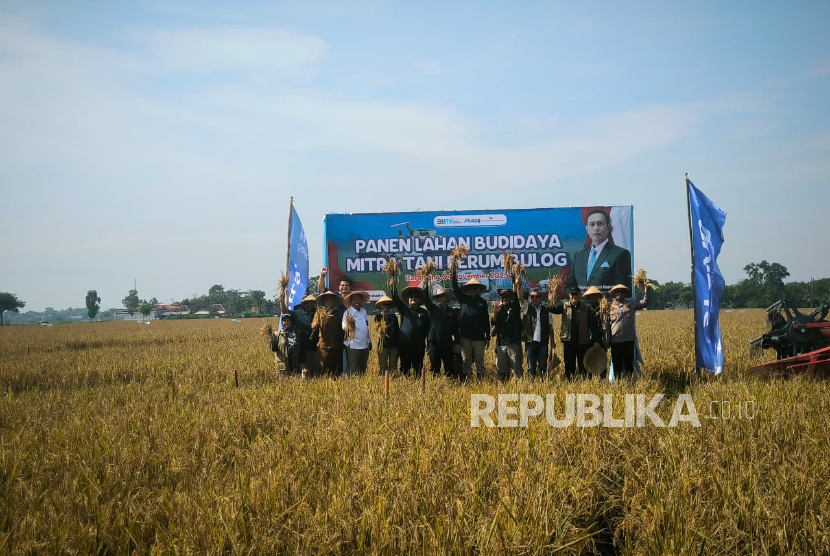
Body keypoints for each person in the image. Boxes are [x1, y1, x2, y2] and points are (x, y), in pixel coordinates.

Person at [565, 210, 632, 292]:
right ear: (587, 229)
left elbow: (623, 289)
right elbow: (570, 286)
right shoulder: (579, 255)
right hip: (581, 304)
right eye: (592, 225)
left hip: (606, 304)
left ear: (608, 227)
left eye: (600, 224)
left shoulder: (620, 254)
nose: (596, 228)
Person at [550, 286, 602, 380]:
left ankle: (585, 384)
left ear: (579, 295)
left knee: (584, 364)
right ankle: (570, 382)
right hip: (568, 341)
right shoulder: (564, 306)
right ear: (569, 295)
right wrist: (553, 295)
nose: (574, 296)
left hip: (583, 341)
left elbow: (593, 326)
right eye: (572, 294)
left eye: (576, 294)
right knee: (569, 364)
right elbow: (552, 308)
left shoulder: (586, 308)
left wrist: (596, 340)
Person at [451, 268, 490, 380]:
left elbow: (486, 320)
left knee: (479, 361)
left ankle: (481, 381)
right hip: (465, 337)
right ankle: (467, 381)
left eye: (475, 287)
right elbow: (455, 287)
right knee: (466, 361)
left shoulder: (482, 303)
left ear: (478, 289)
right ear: (467, 289)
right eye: (470, 288)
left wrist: (487, 337)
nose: (473, 289)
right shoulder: (463, 299)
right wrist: (453, 271)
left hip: (479, 338)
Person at [609, 282, 651, 380]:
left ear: (624, 293)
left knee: (628, 363)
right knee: (617, 364)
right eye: (617, 291)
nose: (619, 293)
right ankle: (618, 384)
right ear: (614, 294)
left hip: (628, 340)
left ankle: (629, 384)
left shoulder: (631, 304)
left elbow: (645, 302)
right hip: (615, 340)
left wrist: (647, 289)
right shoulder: (609, 307)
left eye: (622, 291)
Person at [391, 281, 430, 377]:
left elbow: (428, 330)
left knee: (418, 367)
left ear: (420, 299)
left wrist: (428, 344)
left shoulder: (424, 312)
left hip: (419, 344)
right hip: (404, 344)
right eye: (411, 297)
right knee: (405, 366)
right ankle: (406, 385)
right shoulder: (404, 309)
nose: (413, 298)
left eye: (416, 296)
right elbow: (396, 299)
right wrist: (393, 286)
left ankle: (418, 385)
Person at [421, 283, 460, 378]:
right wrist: (425, 285)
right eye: (437, 297)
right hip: (433, 342)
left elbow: (455, 328)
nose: (438, 299)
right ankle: (436, 386)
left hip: (447, 342)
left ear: (446, 298)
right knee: (435, 366)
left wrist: (457, 342)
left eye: (441, 296)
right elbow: (426, 300)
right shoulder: (433, 308)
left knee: (449, 366)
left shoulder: (451, 312)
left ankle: (450, 385)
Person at [318, 267, 351, 374]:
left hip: (350, 335)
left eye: (346, 285)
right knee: (335, 361)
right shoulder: (335, 298)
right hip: (335, 336)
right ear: (339, 287)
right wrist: (322, 275)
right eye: (342, 285)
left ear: (350, 287)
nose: (344, 287)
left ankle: (350, 378)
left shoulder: (354, 300)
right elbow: (322, 289)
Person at [280, 291, 318, 378]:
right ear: (304, 305)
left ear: (315, 304)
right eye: (307, 303)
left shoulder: (319, 314)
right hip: (304, 350)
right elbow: (284, 310)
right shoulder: (298, 314)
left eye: (312, 303)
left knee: (317, 373)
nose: (309, 305)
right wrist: (282, 300)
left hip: (318, 349)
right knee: (305, 373)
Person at [519, 287, 554, 377]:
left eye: (537, 296)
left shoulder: (547, 310)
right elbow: (520, 298)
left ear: (540, 298)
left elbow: (550, 327)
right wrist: (518, 284)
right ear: (530, 298)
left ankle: (543, 384)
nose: (534, 298)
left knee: (543, 367)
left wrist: (553, 341)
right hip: (530, 343)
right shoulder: (527, 308)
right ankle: (532, 385)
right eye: (532, 296)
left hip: (543, 343)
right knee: (531, 367)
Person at [490, 285, 523, 382]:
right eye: (502, 297)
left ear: (510, 298)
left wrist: (516, 282)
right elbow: (493, 322)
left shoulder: (515, 307)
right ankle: (503, 388)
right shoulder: (499, 311)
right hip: (501, 344)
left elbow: (516, 294)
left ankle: (519, 388)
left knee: (516, 369)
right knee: (501, 370)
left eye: (506, 297)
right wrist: (495, 312)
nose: (504, 299)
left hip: (514, 343)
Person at [311, 291, 344, 377]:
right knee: (323, 370)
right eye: (327, 300)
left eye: (331, 300)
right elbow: (313, 324)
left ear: (334, 302)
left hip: (336, 346)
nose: (329, 302)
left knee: (336, 371)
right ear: (324, 302)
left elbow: (342, 329)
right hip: (324, 346)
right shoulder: (319, 313)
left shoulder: (338, 313)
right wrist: (315, 325)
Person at [342, 291, 371, 375]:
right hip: (353, 345)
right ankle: (353, 385)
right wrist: (350, 325)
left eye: (358, 299)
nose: (357, 301)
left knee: (362, 368)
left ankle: (361, 385)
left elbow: (366, 326)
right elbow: (344, 327)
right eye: (354, 299)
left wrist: (369, 341)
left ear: (361, 301)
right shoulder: (347, 313)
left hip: (364, 345)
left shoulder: (364, 311)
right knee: (353, 369)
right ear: (351, 302)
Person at [374, 295, 400, 376]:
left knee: (393, 366)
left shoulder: (393, 317)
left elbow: (397, 330)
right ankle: (383, 382)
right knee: (383, 366)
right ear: (381, 305)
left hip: (394, 345)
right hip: (383, 346)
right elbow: (377, 330)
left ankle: (393, 382)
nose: (386, 306)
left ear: (390, 306)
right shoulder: (378, 317)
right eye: (384, 304)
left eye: (388, 304)